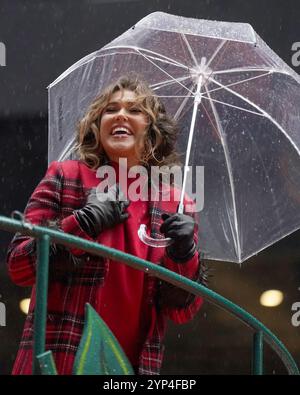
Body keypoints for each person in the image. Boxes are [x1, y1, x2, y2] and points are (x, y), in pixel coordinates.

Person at [6, 75, 205, 375]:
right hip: (60, 360)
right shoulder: (65, 176)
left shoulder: (176, 203)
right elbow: (19, 266)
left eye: (135, 110)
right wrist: (81, 223)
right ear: (97, 129)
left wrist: (184, 255)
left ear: (152, 133)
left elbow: (182, 311)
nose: (121, 114)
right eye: (110, 109)